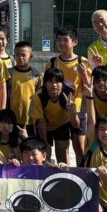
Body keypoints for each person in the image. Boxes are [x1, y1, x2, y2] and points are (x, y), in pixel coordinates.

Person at [46, 27, 91, 166]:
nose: (61, 43)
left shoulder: (82, 61)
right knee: (62, 149)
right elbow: (46, 85)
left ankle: (81, 174)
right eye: (59, 40)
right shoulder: (52, 62)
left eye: (65, 40)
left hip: (78, 109)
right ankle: (64, 174)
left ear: (75, 42)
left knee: (79, 147)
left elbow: (89, 87)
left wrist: (84, 74)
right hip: (59, 111)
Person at [30, 68, 79, 164]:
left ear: (62, 83)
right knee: (45, 156)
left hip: (62, 124)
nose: (54, 85)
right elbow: (41, 124)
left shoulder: (68, 94)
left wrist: (73, 112)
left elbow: (76, 125)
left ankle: (64, 173)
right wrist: (45, 145)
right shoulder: (39, 96)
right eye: (50, 81)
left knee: (62, 155)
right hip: (45, 127)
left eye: (58, 81)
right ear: (45, 83)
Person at [9, 41, 39, 129]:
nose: (20, 57)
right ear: (14, 56)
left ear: (30, 57)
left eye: (23, 55)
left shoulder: (35, 73)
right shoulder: (9, 72)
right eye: (17, 55)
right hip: (12, 117)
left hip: (30, 117)